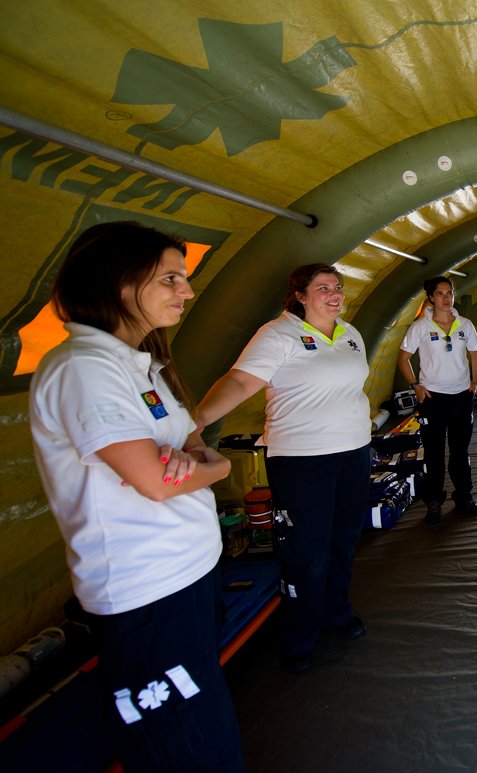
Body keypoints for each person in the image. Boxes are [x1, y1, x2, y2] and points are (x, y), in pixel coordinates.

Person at [29, 222, 244, 771]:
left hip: (189, 572)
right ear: (118, 283)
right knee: (184, 746)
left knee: (203, 728)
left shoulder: (139, 363)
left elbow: (191, 446)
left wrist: (201, 464)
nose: (187, 291)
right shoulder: (84, 368)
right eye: (170, 278)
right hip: (146, 590)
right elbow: (155, 479)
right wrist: (213, 469)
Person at [198, 263, 372, 674]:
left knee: (343, 540)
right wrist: (198, 420)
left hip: (354, 451)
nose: (334, 294)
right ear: (299, 295)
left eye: (338, 286)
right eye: (323, 288)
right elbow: (241, 381)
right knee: (305, 552)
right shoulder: (278, 334)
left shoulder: (350, 333)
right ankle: (299, 636)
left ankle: (336, 611)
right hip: (301, 459)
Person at [397, 276, 477, 524]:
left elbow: (475, 353)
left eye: (450, 293)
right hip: (432, 398)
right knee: (434, 452)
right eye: (440, 294)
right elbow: (403, 358)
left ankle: (464, 497)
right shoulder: (420, 327)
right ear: (431, 298)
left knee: (460, 451)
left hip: (461, 396)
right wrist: (416, 386)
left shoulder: (465, 325)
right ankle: (434, 501)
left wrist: (474, 382)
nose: (446, 298)